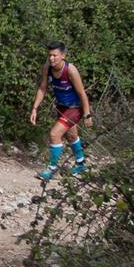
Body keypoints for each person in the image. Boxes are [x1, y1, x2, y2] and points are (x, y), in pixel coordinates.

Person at [30, 41, 92, 181]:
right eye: (49, 55)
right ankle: (81, 163)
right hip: (62, 106)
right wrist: (35, 108)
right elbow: (42, 88)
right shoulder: (47, 68)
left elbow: (82, 94)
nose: (51, 58)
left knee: (54, 133)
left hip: (75, 108)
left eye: (55, 56)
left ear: (63, 56)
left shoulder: (71, 70)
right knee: (71, 136)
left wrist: (87, 114)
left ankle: (51, 169)